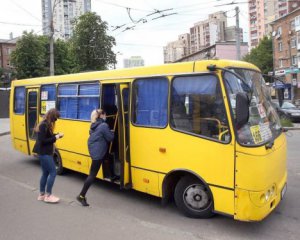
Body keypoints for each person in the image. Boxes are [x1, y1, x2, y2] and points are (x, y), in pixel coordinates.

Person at [77, 109, 114, 207]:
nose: (106, 116)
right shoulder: (103, 126)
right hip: (98, 153)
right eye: (105, 114)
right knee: (92, 175)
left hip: (95, 151)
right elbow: (110, 138)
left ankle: (111, 176)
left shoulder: (94, 124)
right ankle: (81, 196)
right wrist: (112, 132)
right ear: (101, 115)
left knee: (106, 161)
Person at [33, 108, 64, 203]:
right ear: (52, 116)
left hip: (44, 153)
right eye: (55, 118)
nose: (56, 120)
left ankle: (42, 195)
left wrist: (56, 135)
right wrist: (56, 137)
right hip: (44, 153)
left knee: (45, 173)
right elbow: (43, 141)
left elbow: (47, 136)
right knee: (53, 173)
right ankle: (48, 195)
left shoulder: (46, 124)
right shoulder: (43, 125)